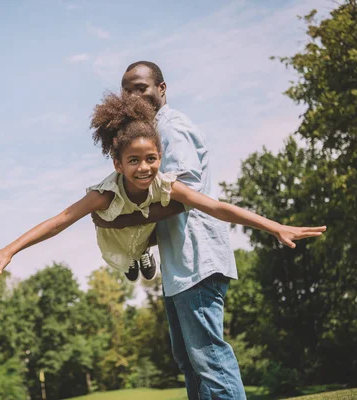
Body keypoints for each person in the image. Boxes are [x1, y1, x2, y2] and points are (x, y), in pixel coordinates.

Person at [0, 94, 325, 313]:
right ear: (117, 164)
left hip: (143, 231)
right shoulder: (105, 193)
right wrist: (10, 249)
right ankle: (136, 259)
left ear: (160, 157)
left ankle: (144, 254)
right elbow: (61, 220)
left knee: (154, 221)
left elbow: (216, 206)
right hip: (119, 243)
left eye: (151, 158)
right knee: (129, 243)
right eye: (133, 161)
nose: (144, 168)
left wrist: (275, 225)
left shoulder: (164, 182)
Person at [93, 60, 292, 399]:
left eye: (141, 87)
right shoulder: (151, 134)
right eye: (127, 89)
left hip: (197, 259)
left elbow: (183, 199)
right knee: (190, 363)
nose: (133, 95)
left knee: (209, 360)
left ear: (162, 89)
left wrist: (122, 221)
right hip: (179, 265)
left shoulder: (172, 129)